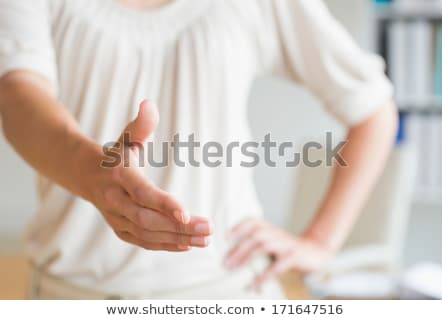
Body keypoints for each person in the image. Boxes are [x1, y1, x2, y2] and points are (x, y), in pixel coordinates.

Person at [0, 0, 397, 299]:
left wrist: (321, 243)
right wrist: (92, 173)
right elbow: (18, 93)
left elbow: (374, 108)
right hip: (71, 294)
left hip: (231, 291)